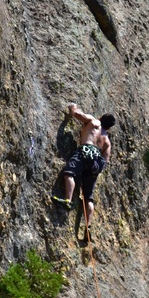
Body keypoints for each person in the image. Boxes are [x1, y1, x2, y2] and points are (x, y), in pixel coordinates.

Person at [52, 103, 116, 241]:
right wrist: (93, 170)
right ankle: (88, 226)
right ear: (109, 128)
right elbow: (105, 160)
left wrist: (73, 108)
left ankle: (68, 200)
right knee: (88, 197)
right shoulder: (107, 141)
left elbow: (76, 114)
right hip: (96, 162)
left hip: (85, 150)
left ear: (101, 118)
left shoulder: (94, 122)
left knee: (69, 173)